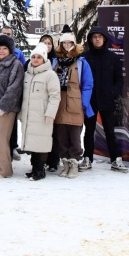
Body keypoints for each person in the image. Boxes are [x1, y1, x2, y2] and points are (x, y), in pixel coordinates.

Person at [53, 32, 95, 177]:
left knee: (75, 137)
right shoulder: (56, 61)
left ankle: (75, 163)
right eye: (64, 43)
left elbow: (88, 84)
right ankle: (65, 164)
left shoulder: (81, 62)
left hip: (75, 102)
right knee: (62, 137)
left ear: (74, 44)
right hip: (59, 103)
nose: (66, 46)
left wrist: (83, 102)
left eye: (69, 43)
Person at [82, 26, 124, 171]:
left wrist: (113, 92)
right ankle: (87, 158)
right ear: (90, 39)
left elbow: (119, 79)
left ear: (105, 39)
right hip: (90, 100)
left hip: (107, 99)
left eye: (100, 37)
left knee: (110, 130)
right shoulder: (84, 57)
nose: (97, 39)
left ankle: (115, 159)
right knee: (89, 130)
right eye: (94, 37)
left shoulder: (113, 57)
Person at [19, 44, 61, 181]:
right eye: (33, 57)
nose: (35, 60)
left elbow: (55, 96)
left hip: (42, 115)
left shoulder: (50, 75)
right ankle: (34, 168)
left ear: (44, 59)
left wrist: (50, 113)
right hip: (29, 114)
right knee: (32, 142)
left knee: (41, 142)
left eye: (39, 57)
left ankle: (40, 169)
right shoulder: (27, 74)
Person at [0, 34, 24, 178]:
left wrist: (4, 105)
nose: (1, 51)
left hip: (7, 108)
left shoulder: (15, 64)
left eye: (4, 48)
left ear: (10, 50)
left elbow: (15, 88)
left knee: (1, 137)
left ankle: (5, 170)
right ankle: (0, 164)